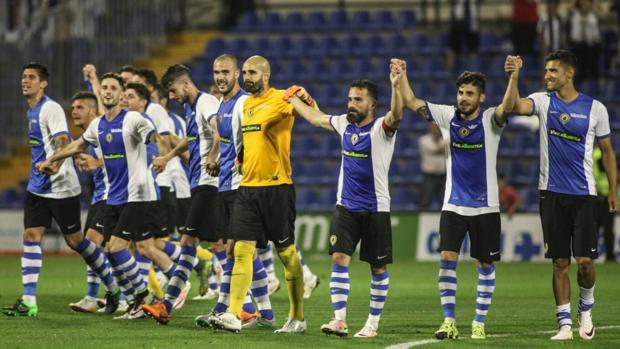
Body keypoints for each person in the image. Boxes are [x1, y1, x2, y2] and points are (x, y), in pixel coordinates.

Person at [395, 55, 522, 340]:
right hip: (453, 205)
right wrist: (401, 75)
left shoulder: (492, 120)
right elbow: (412, 101)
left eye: (469, 94)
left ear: (481, 97)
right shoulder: (447, 116)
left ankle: (479, 321)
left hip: (486, 207)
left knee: (485, 265)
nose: (463, 98)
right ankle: (449, 321)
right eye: (461, 93)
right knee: (446, 259)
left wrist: (514, 77)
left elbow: (509, 106)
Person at [35, 73, 177, 320]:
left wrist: (163, 154)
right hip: (115, 197)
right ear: (101, 94)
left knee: (121, 247)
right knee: (111, 250)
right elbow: (78, 145)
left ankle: (149, 296)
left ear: (122, 95)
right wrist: (52, 159)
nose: (108, 91)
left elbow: (153, 137)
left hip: (138, 195)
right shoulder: (98, 124)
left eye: (114, 88)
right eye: (105, 88)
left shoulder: (133, 118)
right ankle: (136, 299)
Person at [284, 61, 404, 337]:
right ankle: (339, 320)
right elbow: (316, 118)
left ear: (371, 105)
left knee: (378, 267)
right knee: (339, 258)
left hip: (376, 209)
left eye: (358, 100)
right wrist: (292, 99)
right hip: (346, 207)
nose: (352, 104)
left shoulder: (381, 130)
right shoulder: (343, 125)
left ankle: (372, 324)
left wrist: (396, 86)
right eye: (350, 98)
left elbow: (397, 114)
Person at [509, 49, 617, 340]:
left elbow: (608, 153)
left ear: (569, 74)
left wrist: (614, 192)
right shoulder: (543, 102)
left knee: (585, 262)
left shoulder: (596, 109)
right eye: (545, 71)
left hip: (584, 195)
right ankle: (565, 325)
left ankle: (586, 309)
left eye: (553, 71)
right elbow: (511, 107)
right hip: (551, 194)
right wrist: (514, 76)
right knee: (560, 263)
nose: (547, 76)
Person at [2, 63, 118, 317]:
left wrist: (55, 162)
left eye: (31, 78)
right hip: (37, 186)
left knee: (76, 242)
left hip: (61, 186)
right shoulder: (31, 111)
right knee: (31, 236)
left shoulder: (50, 108)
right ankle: (29, 300)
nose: (25, 81)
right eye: (23, 77)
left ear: (43, 83)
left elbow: (62, 139)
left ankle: (112, 285)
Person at [208, 55, 307, 334]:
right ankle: (232, 313)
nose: (248, 77)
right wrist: (237, 161)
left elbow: (311, 116)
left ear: (266, 74)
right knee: (241, 249)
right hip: (248, 188)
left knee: (286, 254)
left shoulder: (282, 99)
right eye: (247, 72)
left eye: (253, 72)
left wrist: (326, 118)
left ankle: (297, 317)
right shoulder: (245, 104)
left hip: (278, 188)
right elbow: (242, 143)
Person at [194, 54, 275, 329]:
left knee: (236, 250)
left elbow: (252, 141)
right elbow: (224, 138)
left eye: (226, 72)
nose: (220, 77)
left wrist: (243, 169)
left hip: (241, 187)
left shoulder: (242, 103)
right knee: (235, 252)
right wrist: (215, 160)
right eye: (216, 71)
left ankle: (231, 309)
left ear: (237, 73)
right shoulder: (222, 103)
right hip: (225, 185)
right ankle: (264, 313)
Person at [141, 63, 221, 325]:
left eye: (173, 90)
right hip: (200, 181)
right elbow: (192, 138)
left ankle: (243, 307)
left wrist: (211, 156)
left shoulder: (206, 101)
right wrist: (168, 156)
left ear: (185, 84)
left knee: (216, 245)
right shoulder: (190, 108)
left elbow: (218, 127)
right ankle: (168, 305)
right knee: (193, 243)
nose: (172, 96)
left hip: (210, 183)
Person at [66, 91, 121, 314]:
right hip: (101, 195)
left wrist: (96, 163)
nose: (74, 112)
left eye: (79, 108)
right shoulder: (91, 133)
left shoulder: (101, 128)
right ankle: (97, 295)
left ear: (92, 110)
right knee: (101, 248)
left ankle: (120, 293)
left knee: (91, 243)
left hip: (111, 195)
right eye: (73, 108)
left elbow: (119, 157)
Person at [568, 0, 601, 84]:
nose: (584, 5)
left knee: (592, 65)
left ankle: (593, 84)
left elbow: (597, 5)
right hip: (577, 46)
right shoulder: (575, 14)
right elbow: (571, 6)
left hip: (591, 46)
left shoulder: (592, 15)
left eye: (586, 3)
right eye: (582, 3)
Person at [593, 145, 616, 262]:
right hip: (599, 198)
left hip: (605, 198)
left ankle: (608, 256)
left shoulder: (599, 153)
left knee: (605, 230)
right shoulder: (600, 154)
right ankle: (608, 256)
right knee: (601, 230)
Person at [419, 123, 446, 210]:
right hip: (429, 175)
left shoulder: (445, 139)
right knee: (425, 199)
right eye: (433, 128)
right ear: (429, 129)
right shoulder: (424, 140)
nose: (435, 130)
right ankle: (422, 217)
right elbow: (435, 150)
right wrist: (442, 148)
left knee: (444, 199)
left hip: (443, 174)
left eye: (437, 128)